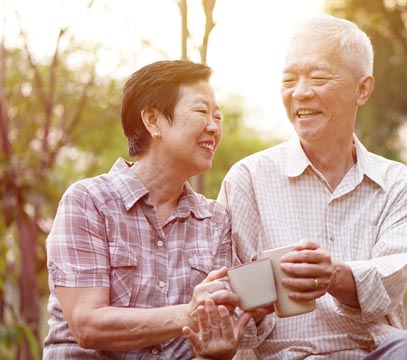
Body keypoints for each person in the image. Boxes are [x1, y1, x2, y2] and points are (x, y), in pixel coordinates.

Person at [216, 14, 407, 359]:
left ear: (362, 89)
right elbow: (230, 309)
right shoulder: (247, 179)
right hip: (288, 355)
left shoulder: (400, 185)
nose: (300, 93)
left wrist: (332, 275)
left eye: (318, 77)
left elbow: (388, 285)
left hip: (378, 353)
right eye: (289, 80)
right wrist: (247, 305)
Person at [43, 60, 256, 359]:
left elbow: (210, 336)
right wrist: (190, 314)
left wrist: (215, 351)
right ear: (153, 121)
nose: (214, 126)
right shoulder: (88, 201)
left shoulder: (215, 220)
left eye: (217, 116)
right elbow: (87, 325)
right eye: (201, 111)